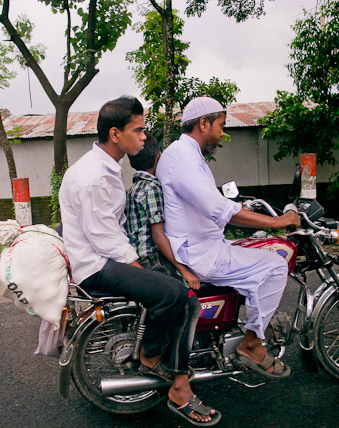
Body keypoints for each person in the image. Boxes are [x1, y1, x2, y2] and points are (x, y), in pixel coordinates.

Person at [59, 96, 220, 426]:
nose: (144, 136)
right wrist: (140, 269)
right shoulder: (92, 175)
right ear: (116, 134)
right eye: (139, 129)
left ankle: (176, 378)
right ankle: (159, 366)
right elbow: (104, 237)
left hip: (104, 258)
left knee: (186, 297)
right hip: (97, 266)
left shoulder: (106, 167)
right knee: (178, 294)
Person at [156, 96, 301, 378]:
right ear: (203, 123)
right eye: (221, 126)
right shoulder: (185, 159)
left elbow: (208, 201)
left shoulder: (180, 153)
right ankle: (252, 344)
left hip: (199, 245)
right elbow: (217, 208)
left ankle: (237, 325)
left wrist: (244, 209)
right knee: (274, 266)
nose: (223, 133)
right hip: (202, 252)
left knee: (254, 249)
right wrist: (276, 222)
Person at [124, 131, 202, 349]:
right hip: (152, 260)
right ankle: (173, 362)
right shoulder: (152, 188)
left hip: (138, 256)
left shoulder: (135, 187)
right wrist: (184, 270)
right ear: (159, 157)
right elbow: (158, 236)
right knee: (188, 303)